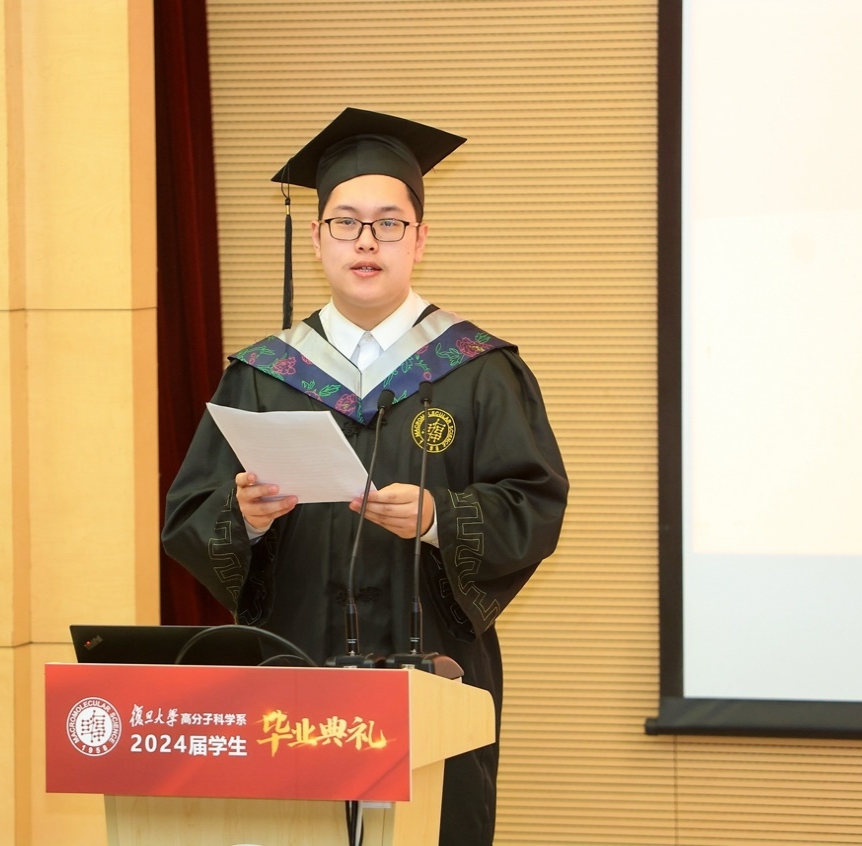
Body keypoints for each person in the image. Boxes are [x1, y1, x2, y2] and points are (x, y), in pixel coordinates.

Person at [161, 108, 568, 846]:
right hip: (294, 673)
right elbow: (189, 515)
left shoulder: (479, 371)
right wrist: (243, 515)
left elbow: (534, 504)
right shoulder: (264, 374)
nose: (367, 241)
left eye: (389, 223)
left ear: (420, 238)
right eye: (346, 223)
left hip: (434, 676)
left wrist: (441, 518)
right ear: (318, 238)